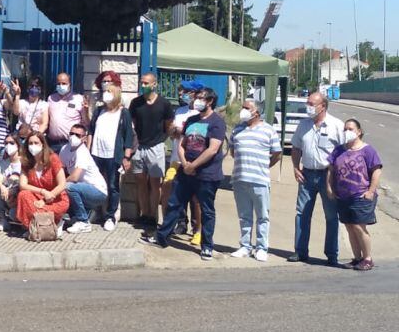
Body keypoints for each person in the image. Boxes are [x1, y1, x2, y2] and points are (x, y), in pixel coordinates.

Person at [144, 87, 226, 260]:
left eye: (201, 98)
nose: (196, 101)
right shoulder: (191, 120)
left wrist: (194, 165)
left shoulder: (216, 122)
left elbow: (212, 149)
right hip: (185, 171)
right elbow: (181, 143)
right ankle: (162, 237)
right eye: (196, 98)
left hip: (207, 175)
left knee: (206, 210)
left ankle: (207, 246)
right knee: (174, 204)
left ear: (210, 101)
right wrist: (185, 163)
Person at [290, 91, 345, 265]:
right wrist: (295, 167)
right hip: (307, 174)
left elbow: (344, 153)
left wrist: (335, 175)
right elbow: (296, 148)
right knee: (302, 213)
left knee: (331, 215)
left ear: (323, 106)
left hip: (328, 176)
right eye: (307, 103)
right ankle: (300, 251)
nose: (308, 107)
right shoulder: (304, 125)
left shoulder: (336, 125)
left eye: (311, 104)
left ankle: (332, 254)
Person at [229, 98, 281, 261]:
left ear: (256, 112)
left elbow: (277, 154)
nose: (242, 110)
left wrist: (263, 165)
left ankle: (261, 248)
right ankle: (245, 246)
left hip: (259, 180)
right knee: (244, 216)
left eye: (246, 108)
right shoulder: (237, 130)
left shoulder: (268, 130)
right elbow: (233, 151)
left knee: (262, 216)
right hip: (240, 178)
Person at [328, 119, 382, 271]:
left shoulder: (368, 150)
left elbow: (376, 171)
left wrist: (370, 191)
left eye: (351, 129)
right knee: (349, 226)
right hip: (343, 196)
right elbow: (331, 170)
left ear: (359, 131)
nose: (347, 132)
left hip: (361, 195)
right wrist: (329, 187)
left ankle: (367, 258)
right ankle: (357, 258)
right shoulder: (339, 150)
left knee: (359, 226)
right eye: (345, 129)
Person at [128, 72, 174, 227]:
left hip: (156, 146)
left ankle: (153, 217)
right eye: (142, 83)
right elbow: (133, 124)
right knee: (140, 181)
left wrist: (161, 141)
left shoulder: (164, 104)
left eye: (146, 83)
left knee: (155, 183)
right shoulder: (136, 103)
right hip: (140, 146)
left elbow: (168, 126)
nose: (143, 86)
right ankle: (144, 214)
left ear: (154, 84)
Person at [88, 84, 135, 231]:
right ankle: (94, 211)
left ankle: (110, 216)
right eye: (105, 91)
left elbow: (128, 136)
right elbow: (91, 131)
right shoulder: (99, 111)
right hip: (96, 153)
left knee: (113, 186)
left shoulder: (123, 113)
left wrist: (126, 157)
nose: (106, 94)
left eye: (109, 91)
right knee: (94, 184)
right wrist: (89, 151)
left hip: (113, 155)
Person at [168, 80, 205, 240]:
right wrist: (175, 131)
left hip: (194, 161)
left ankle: (197, 228)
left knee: (196, 198)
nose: (182, 94)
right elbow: (173, 133)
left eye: (186, 91)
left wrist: (182, 132)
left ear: (195, 94)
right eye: (181, 91)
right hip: (177, 159)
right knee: (175, 192)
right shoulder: (180, 111)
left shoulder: (200, 113)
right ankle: (180, 223)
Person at [16, 133, 69, 238]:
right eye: (30, 143)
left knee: (39, 208)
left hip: (56, 198)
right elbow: (23, 184)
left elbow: (62, 184)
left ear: (43, 145)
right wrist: (42, 192)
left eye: (36, 143)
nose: (33, 145)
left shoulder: (53, 159)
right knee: (23, 195)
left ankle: (56, 222)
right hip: (37, 197)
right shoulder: (26, 162)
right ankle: (35, 226)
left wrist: (45, 199)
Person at [62, 124, 109, 233]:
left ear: (84, 138)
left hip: (98, 191)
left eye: (77, 135)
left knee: (68, 187)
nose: (73, 137)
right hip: (81, 188)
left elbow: (75, 177)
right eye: (71, 133)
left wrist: (59, 186)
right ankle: (85, 214)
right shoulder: (64, 149)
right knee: (65, 188)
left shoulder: (82, 152)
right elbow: (60, 170)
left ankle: (83, 222)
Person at [46, 72, 89, 148]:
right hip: (53, 144)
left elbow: (86, 122)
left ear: (70, 84)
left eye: (64, 83)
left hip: (71, 143)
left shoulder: (78, 99)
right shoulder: (51, 98)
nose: (61, 86)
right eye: (59, 83)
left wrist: (86, 110)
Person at [0, 134, 23, 232]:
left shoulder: (24, 162)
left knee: (13, 214)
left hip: (18, 196)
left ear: (18, 145)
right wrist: (2, 187)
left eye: (11, 143)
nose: (8, 145)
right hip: (5, 194)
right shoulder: (3, 162)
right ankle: (3, 220)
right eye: (6, 143)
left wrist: (13, 191)